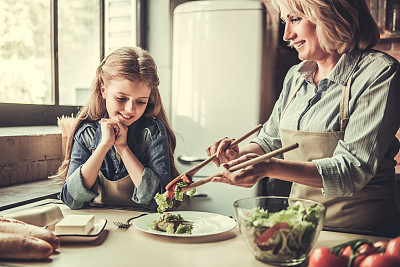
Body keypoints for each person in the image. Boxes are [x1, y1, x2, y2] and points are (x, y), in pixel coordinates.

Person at [207, 0, 400, 237]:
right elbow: (270, 141)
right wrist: (239, 155)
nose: (287, 35)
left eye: (295, 19)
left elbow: (353, 170)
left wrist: (268, 167)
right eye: (284, 22)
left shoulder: (379, 72)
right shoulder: (296, 77)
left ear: (330, 16)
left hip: (362, 233)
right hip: (301, 228)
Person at [52, 46, 179, 211]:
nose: (130, 109)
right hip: (98, 226)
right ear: (103, 90)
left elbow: (161, 202)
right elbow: (71, 199)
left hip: (141, 226)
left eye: (141, 101)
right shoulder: (86, 133)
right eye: (121, 98)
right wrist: (103, 146)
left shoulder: (153, 132)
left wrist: (123, 148)